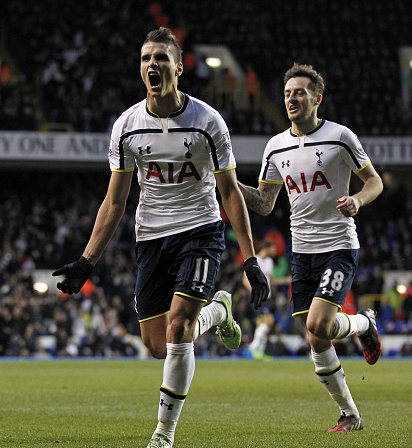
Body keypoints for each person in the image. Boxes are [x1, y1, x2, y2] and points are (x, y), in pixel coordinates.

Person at [52, 27, 269, 448]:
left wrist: (250, 259)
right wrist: (86, 261)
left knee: (179, 326)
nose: (153, 65)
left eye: (161, 58)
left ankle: (163, 434)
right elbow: (115, 203)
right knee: (157, 345)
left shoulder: (208, 122)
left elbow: (229, 192)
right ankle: (220, 312)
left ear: (178, 67)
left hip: (201, 230)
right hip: (151, 236)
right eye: (146, 58)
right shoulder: (127, 127)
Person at [238, 63, 384, 433]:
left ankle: (365, 322)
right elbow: (265, 202)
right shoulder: (275, 146)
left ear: (317, 98)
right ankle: (350, 412)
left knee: (318, 323)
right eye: (287, 93)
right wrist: (225, 182)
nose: (292, 99)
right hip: (301, 252)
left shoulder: (340, 137)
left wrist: (358, 201)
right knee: (314, 334)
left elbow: (375, 181)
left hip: (338, 244)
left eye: (300, 92)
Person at [242, 238, 291, 360]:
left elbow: (271, 280)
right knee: (268, 320)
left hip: (267, 297)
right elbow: (245, 280)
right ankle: (253, 347)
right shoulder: (255, 260)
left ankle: (259, 352)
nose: (275, 251)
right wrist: (255, 292)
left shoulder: (269, 262)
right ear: (266, 248)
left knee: (263, 324)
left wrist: (285, 280)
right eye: (273, 248)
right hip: (258, 296)